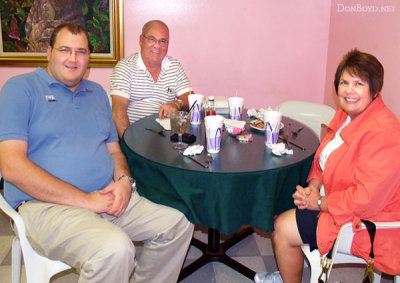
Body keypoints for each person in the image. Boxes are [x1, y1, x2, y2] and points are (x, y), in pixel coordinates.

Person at [0, 23, 194, 283]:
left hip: (107, 196)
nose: (73, 58)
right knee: (115, 249)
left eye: (81, 52)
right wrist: (86, 200)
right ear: (48, 52)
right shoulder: (20, 89)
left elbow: (114, 150)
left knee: (179, 222)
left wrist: (125, 182)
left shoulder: (97, 95)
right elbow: (11, 166)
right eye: (65, 50)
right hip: (46, 206)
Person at [255, 49, 400, 283]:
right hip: (338, 200)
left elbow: (366, 201)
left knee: (282, 227)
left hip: (365, 223)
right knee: (283, 197)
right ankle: (287, 269)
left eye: (358, 84)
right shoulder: (345, 115)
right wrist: (314, 185)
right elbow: (322, 159)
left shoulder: (383, 133)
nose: (349, 91)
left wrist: (319, 202)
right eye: (344, 82)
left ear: (375, 90)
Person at [110, 20, 193, 137]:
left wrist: (177, 104)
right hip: (134, 136)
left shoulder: (174, 66)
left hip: (165, 137)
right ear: (141, 40)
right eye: (152, 39)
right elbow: (118, 110)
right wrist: (129, 144)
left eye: (163, 41)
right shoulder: (125, 67)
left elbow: (190, 97)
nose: (157, 45)